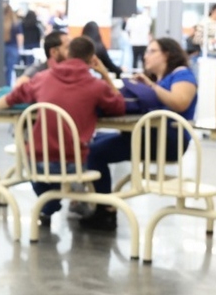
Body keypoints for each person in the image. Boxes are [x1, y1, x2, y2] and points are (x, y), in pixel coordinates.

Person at [0, 37, 125, 224]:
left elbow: (14, 96)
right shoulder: (97, 86)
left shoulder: (42, 78)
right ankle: (72, 200)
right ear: (92, 58)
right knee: (93, 151)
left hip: (38, 161)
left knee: (36, 162)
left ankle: (49, 204)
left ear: (68, 54)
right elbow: (119, 107)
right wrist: (104, 74)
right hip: (74, 163)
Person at [82, 38, 198, 231]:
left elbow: (180, 102)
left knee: (95, 152)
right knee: (92, 143)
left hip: (168, 141)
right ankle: (96, 200)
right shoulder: (157, 80)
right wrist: (104, 73)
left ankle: (105, 209)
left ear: (167, 54)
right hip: (148, 136)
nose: (145, 56)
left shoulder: (182, 74)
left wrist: (151, 87)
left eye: (152, 51)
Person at [3, 4, 24, 86]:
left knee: (2, 69)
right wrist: (20, 48)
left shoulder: (1, 23)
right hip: (13, 48)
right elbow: (20, 37)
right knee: (10, 69)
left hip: (3, 48)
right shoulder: (16, 23)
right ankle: (7, 86)